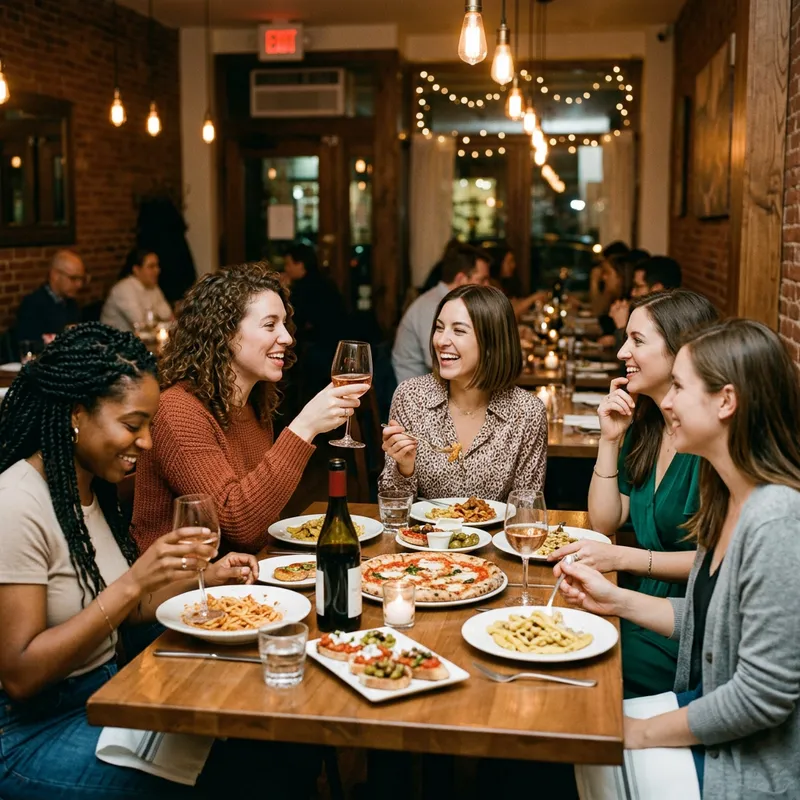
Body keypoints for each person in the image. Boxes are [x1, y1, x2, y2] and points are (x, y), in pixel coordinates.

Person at [0, 323, 285, 799]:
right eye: (133, 426)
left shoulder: (89, 489)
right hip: (30, 733)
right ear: (76, 414)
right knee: (211, 776)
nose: (148, 442)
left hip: (110, 696)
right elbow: (21, 674)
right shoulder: (17, 503)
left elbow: (124, 608)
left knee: (253, 741)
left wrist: (206, 575)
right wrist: (134, 582)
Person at [558, 319, 800, 798]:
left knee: (588, 739)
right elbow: (713, 620)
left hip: (749, 765)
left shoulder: (777, 519)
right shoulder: (725, 492)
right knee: (577, 724)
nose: (666, 402)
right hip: (711, 716)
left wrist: (640, 733)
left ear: (726, 402)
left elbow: (761, 699)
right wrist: (615, 600)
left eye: (681, 389)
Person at [131, 263, 369, 554]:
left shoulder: (253, 404)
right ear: (224, 333)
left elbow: (260, 518)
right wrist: (305, 426)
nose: (287, 338)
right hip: (186, 589)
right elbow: (239, 525)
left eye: (284, 324)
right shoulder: (177, 411)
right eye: (270, 325)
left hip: (244, 577)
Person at [550, 290, 718, 698]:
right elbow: (606, 521)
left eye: (638, 341)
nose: (624, 350)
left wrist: (623, 558)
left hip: (688, 626)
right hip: (638, 604)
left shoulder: (710, 440)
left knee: (562, 665)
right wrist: (609, 440)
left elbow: (715, 563)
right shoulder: (648, 424)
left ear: (682, 349)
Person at [381, 284, 548, 501]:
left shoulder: (527, 412)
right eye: (439, 328)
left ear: (492, 343)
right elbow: (392, 504)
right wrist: (404, 467)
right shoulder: (411, 396)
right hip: (426, 534)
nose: (441, 341)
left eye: (458, 331)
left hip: (496, 535)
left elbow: (527, 508)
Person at [392, 244, 491, 384]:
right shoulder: (434, 305)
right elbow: (438, 360)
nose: (488, 286)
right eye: (482, 280)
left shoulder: (455, 304)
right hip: (418, 395)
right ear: (461, 279)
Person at [281, 242, 348, 399]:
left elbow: (295, 322)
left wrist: (285, 291)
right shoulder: (326, 282)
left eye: (288, 264)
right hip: (335, 351)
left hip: (317, 353)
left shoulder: (304, 289)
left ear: (300, 264)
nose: (286, 269)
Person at [15, 250, 86, 345]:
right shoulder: (33, 305)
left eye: (81, 279)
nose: (79, 284)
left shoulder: (71, 303)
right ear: (55, 275)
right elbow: (29, 345)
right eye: (73, 278)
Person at [100, 248, 173, 333]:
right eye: (151, 266)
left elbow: (168, 316)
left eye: (157, 266)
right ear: (136, 270)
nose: (157, 270)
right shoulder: (124, 289)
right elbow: (142, 325)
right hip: (114, 343)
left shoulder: (153, 287)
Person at [615, 255, 683, 331]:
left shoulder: (669, 324)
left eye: (638, 286)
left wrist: (622, 327)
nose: (633, 293)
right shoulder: (651, 316)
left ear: (657, 289)